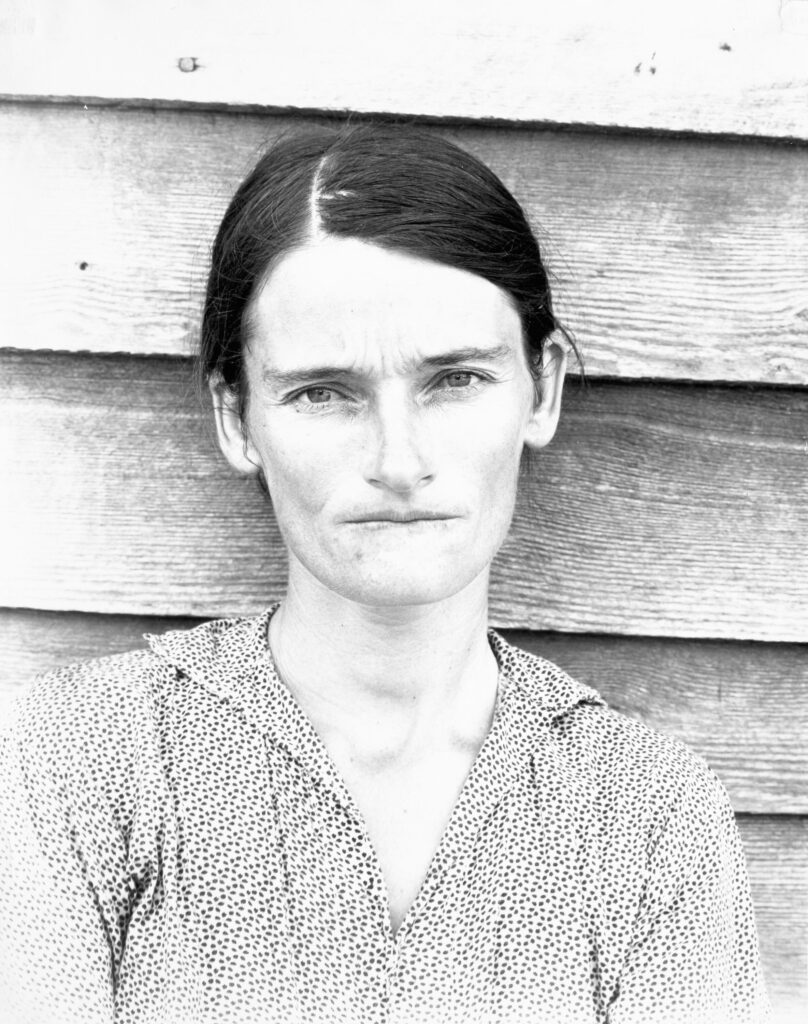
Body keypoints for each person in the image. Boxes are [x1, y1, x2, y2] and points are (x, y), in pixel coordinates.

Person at [0, 124, 769, 1024]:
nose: (399, 461)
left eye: (456, 380)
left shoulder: (646, 816)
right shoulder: (75, 765)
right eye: (323, 392)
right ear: (238, 418)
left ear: (542, 387)